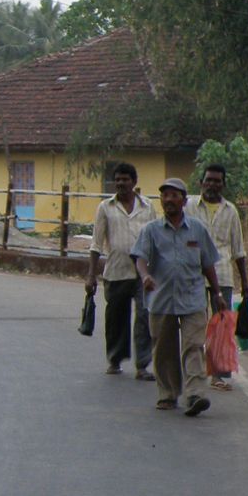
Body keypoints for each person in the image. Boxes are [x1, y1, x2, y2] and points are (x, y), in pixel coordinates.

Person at [132, 177, 225, 417]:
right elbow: (140, 257)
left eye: (174, 195)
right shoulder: (151, 230)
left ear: (184, 201)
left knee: (194, 346)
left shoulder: (197, 229)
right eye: (165, 196)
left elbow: (208, 264)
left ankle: (195, 394)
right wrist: (144, 277)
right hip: (161, 300)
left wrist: (216, 293)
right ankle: (168, 394)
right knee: (164, 350)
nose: (169, 200)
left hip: (192, 298)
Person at [84, 162, 156, 379]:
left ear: (134, 182)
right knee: (116, 318)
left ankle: (142, 365)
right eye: (117, 180)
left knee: (145, 316)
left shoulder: (148, 207)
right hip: (116, 271)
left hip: (143, 273)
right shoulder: (105, 207)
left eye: (125, 180)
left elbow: (155, 238)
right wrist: (91, 275)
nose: (121, 184)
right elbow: (96, 243)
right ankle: (115, 360)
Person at [186, 163, 248, 391]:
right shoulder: (189, 206)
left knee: (222, 326)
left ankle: (220, 375)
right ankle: (194, 370)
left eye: (217, 181)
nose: (212, 184)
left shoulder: (230, 211)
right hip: (194, 275)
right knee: (195, 324)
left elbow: (238, 249)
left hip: (222, 275)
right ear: (201, 182)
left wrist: (245, 282)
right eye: (208, 180)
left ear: (223, 184)